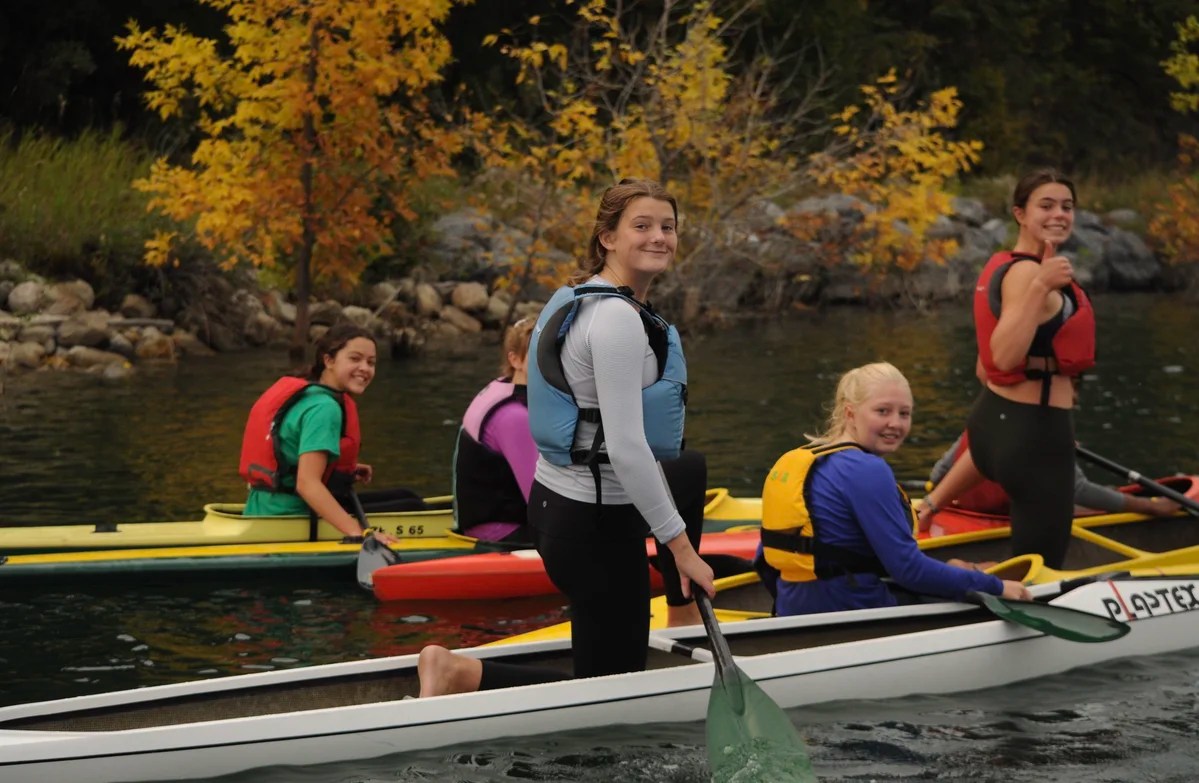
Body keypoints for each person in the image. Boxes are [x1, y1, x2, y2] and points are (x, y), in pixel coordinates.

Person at [417, 178, 715, 698]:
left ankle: (680, 610)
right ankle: (460, 673)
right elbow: (624, 447)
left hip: (562, 509)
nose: (659, 237)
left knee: (689, 469)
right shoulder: (617, 320)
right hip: (594, 526)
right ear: (607, 237)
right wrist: (682, 548)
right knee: (610, 690)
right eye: (641, 226)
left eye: (667, 227)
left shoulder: (583, 299)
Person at [757, 362, 1030, 617]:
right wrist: (997, 588)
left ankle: (960, 568)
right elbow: (908, 569)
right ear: (850, 413)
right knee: (970, 588)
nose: (896, 424)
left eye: (904, 413)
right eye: (882, 411)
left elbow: (764, 559)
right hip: (851, 610)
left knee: (950, 570)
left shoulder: (801, 459)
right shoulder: (866, 469)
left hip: (791, 607)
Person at [951, 169, 1096, 568]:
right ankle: (957, 579)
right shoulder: (1030, 274)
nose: (1059, 214)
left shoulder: (1008, 266)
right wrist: (1040, 287)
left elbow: (984, 369)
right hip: (1034, 436)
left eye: (1067, 206)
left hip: (995, 426)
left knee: (1030, 551)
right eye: (1045, 205)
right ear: (1020, 213)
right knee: (1040, 565)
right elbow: (1003, 357)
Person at [239, 324, 395, 543]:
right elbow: (307, 484)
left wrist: (337, 468)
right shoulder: (325, 408)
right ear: (328, 361)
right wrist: (359, 533)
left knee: (405, 497)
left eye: (371, 362)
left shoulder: (309, 395)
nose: (365, 368)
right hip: (289, 519)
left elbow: (292, 456)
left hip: (262, 508)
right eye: (355, 359)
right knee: (412, 504)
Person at [919, 432, 1181, 523]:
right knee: (1083, 503)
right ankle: (1137, 504)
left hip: (966, 510)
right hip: (1010, 514)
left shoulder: (983, 419)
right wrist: (1149, 506)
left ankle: (1117, 494)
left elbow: (939, 474)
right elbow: (1078, 489)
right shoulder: (1042, 416)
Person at [452, 316, 539, 543]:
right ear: (515, 360)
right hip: (500, 532)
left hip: (484, 521)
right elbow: (540, 501)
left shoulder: (500, 386)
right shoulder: (514, 417)